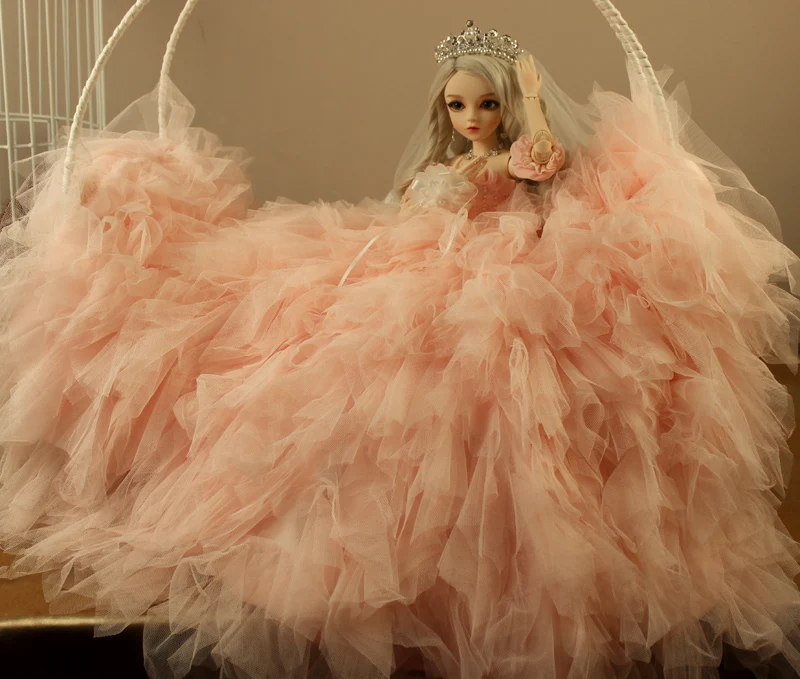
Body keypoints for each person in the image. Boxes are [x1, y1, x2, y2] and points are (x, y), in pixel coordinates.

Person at [1, 18, 800, 679]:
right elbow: (410, 204)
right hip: (414, 252)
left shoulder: (511, 156)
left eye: (485, 104)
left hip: (486, 264)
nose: (472, 118)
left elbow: (543, 160)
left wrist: (526, 96)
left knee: (454, 365)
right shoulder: (447, 159)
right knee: (300, 327)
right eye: (459, 105)